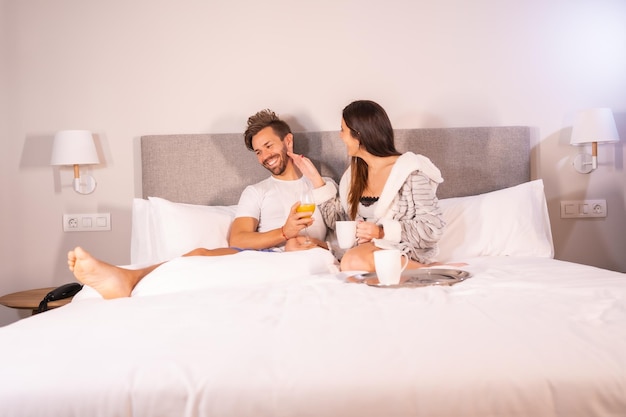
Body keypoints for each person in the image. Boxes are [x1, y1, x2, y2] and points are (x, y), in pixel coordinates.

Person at [68, 109, 331, 299]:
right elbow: (238, 239)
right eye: (258, 151)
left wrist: (316, 243)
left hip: (307, 258)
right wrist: (285, 233)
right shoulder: (256, 192)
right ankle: (127, 278)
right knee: (199, 255)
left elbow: (342, 231)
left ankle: (127, 280)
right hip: (264, 258)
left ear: (288, 141)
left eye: (268, 146)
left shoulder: (323, 185)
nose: (264, 156)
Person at [289, 99, 445, 272]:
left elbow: (433, 228)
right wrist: (315, 178)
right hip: (360, 250)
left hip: (398, 251)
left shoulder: (410, 171)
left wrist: (381, 232)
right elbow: (339, 223)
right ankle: (363, 263)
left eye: (343, 130)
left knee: (353, 262)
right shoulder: (354, 175)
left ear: (359, 134)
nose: (340, 135)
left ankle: (426, 271)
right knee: (294, 244)